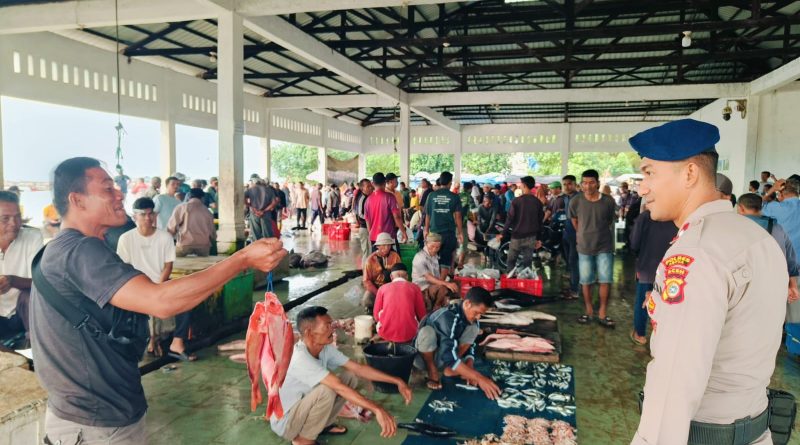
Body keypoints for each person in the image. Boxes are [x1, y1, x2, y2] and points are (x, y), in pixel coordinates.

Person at [30, 157, 286, 444]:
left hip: (101, 414)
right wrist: (242, 259)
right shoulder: (78, 251)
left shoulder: (74, 249)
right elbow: (160, 301)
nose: (120, 194)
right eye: (107, 189)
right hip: (94, 425)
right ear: (77, 200)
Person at [629, 119, 788, 445]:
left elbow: (676, 378)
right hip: (754, 430)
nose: (642, 188)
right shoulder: (754, 236)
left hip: (705, 434)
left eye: (649, 173)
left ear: (689, 174)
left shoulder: (697, 253)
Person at [271, 306, 411, 445]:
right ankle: (303, 440)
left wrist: (397, 380)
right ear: (309, 333)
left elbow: (358, 368)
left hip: (303, 408)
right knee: (328, 389)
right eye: (327, 326)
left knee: (350, 377)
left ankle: (320, 426)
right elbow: (338, 387)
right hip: (286, 422)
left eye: (331, 324)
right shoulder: (300, 358)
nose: (332, 329)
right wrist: (377, 409)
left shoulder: (324, 348)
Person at [117, 197, 195, 361]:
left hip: (161, 283)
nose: (148, 218)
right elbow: (125, 269)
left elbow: (168, 267)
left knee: (187, 298)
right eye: (143, 214)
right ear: (134, 217)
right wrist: (145, 289)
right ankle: (151, 340)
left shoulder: (165, 237)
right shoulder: (126, 239)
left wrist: (157, 287)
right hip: (136, 286)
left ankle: (177, 343)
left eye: (151, 214)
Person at [414, 287, 501, 399]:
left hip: (445, 357)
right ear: (467, 303)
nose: (478, 317)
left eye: (481, 314)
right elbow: (448, 355)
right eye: (476, 313)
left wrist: (470, 369)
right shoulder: (447, 316)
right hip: (423, 359)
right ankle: (432, 371)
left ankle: (453, 367)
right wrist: (480, 378)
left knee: (473, 328)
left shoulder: (473, 321)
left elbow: (472, 346)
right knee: (427, 332)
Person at [737, 193, 800, 327]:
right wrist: (793, 286)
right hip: (774, 283)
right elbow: (790, 260)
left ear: (741, 208)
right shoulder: (777, 227)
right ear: (761, 207)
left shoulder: (735, 226)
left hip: (743, 284)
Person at [570, 169, 617, 327]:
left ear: (597, 183)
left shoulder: (608, 201)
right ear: (581, 184)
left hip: (604, 246)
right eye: (584, 183)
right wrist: (583, 234)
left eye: (591, 183)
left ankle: (603, 312)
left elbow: (609, 221)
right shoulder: (576, 201)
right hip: (584, 247)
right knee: (586, 281)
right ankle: (589, 310)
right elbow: (574, 221)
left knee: (605, 280)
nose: (588, 186)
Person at [628, 207, 677, 346]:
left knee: (643, 302)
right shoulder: (678, 214)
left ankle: (640, 334)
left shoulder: (646, 216)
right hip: (670, 268)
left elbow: (634, 242)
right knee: (666, 301)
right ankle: (661, 335)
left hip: (647, 266)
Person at [0, 191, 43, 341]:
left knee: (32, 296)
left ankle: (38, 349)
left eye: (17, 216)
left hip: (22, 312)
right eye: (5, 218)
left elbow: (42, 282)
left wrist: (12, 280)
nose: (14, 223)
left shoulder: (32, 237)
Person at [498, 176, 544, 273]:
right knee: (527, 263)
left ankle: (510, 282)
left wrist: (503, 233)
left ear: (523, 185)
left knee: (511, 261)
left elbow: (509, 219)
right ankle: (525, 283)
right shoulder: (537, 202)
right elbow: (540, 222)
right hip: (531, 237)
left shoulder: (516, 201)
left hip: (517, 237)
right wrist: (539, 238)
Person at [373, 263, 427, 344]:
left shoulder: (382, 288)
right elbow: (422, 315)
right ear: (407, 276)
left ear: (391, 277)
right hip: (410, 334)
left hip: (385, 333)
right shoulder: (415, 288)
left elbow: (376, 316)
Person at [424, 172, 463, 276]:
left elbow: (427, 214)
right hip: (448, 232)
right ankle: (442, 283)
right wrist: (460, 233)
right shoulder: (454, 197)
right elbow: (458, 216)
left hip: (434, 232)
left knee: (433, 257)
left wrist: (425, 230)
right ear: (450, 182)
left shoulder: (431, 195)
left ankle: (436, 281)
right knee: (446, 258)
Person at [412, 233, 459, 312]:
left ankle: (450, 307)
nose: (434, 249)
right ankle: (436, 308)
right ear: (426, 244)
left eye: (437, 247)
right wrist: (446, 283)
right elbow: (429, 278)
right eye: (432, 247)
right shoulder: (419, 257)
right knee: (443, 287)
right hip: (422, 288)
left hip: (432, 286)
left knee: (456, 285)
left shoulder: (435, 256)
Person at [167, 188, 216, 257]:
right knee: (203, 267)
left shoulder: (182, 207)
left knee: (177, 265)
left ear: (189, 197)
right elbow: (212, 232)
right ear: (202, 197)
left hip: (185, 244)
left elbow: (172, 226)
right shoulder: (207, 211)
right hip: (203, 246)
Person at [361, 233, 402, 312]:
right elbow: (366, 281)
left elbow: (400, 273)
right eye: (383, 245)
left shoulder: (395, 256)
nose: (386, 248)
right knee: (367, 299)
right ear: (377, 246)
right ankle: (371, 310)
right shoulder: (370, 260)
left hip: (392, 286)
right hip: (376, 288)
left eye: (389, 245)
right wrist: (379, 294)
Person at [364, 173, 407, 246]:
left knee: (377, 257)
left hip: (374, 238)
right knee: (393, 257)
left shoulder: (368, 200)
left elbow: (367, 220)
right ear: (384, 182)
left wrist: (371, 233)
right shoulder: (390, 197)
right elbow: (396, 217)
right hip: (388, 237)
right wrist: (404, 232)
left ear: (372, 183)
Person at [762, 177, 800, 256]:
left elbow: (756, 208)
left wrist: (772, 189)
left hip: (783, 257)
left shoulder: (776, 207)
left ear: (780, 193)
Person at [353, 178, 374, 267]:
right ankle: (365, 270)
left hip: (368, 227)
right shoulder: (362, 198)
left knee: (369, 250)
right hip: (365, 228)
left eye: (370, 186)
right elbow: (360, 213)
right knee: (367, 250)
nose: (370, 188)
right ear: (362, 188)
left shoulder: (368, 197)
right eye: (368, 186)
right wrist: (369, 219)